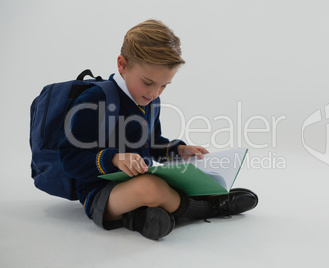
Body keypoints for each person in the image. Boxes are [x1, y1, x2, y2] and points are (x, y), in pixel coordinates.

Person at [59, 19, 258, 240]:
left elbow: (152, 143)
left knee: (184, 175)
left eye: (164, 86)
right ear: (122, 65)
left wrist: (178, 150)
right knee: (150, 187)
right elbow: (69, 159)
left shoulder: (149, 102)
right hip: (101, 193)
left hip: (138, 180)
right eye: (147, 82)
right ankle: (208, 208)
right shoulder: (94, 100)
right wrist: (114, 159)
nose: (155, 93)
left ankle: (139, 218)